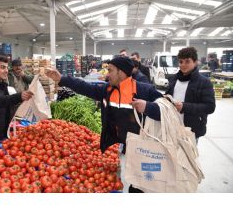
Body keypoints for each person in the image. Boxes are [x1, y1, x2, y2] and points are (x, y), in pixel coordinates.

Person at [45, 56, 162, 193]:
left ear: (121, 72)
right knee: (130, 181)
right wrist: (62, 79)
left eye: (110, 70)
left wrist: (148, 107)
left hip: (145, 149)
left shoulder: (144, 90)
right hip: (125, 147)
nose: (107, 74)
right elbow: (85, 88)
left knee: (143, 185)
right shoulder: (108, 90)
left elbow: (167, 109)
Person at [165, 47, 216, 143]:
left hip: (191, 130)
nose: (183, 65)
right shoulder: (173, 80)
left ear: (195, 62)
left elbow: (210, 107)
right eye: (181, 62)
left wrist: (184, 107)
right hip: (172, 128)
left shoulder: (204, 82)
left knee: (188, 158)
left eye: (187, 61)